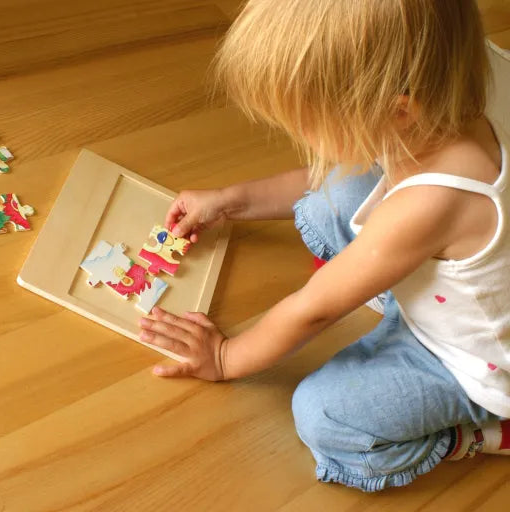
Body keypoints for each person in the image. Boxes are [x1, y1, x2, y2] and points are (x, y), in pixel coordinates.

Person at [138, 0, 510, 491]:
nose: (299, 138)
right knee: (326, 200)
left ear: (399, 111)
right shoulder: (456, 75)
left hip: (470, 358)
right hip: (457, 271)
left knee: (323, 415)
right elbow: (337, 174)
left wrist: (225, 357)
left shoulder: (433, 202)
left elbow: (313, 310)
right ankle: (389, 284)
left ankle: (480, 433)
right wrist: (230, 201)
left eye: (306, 127)